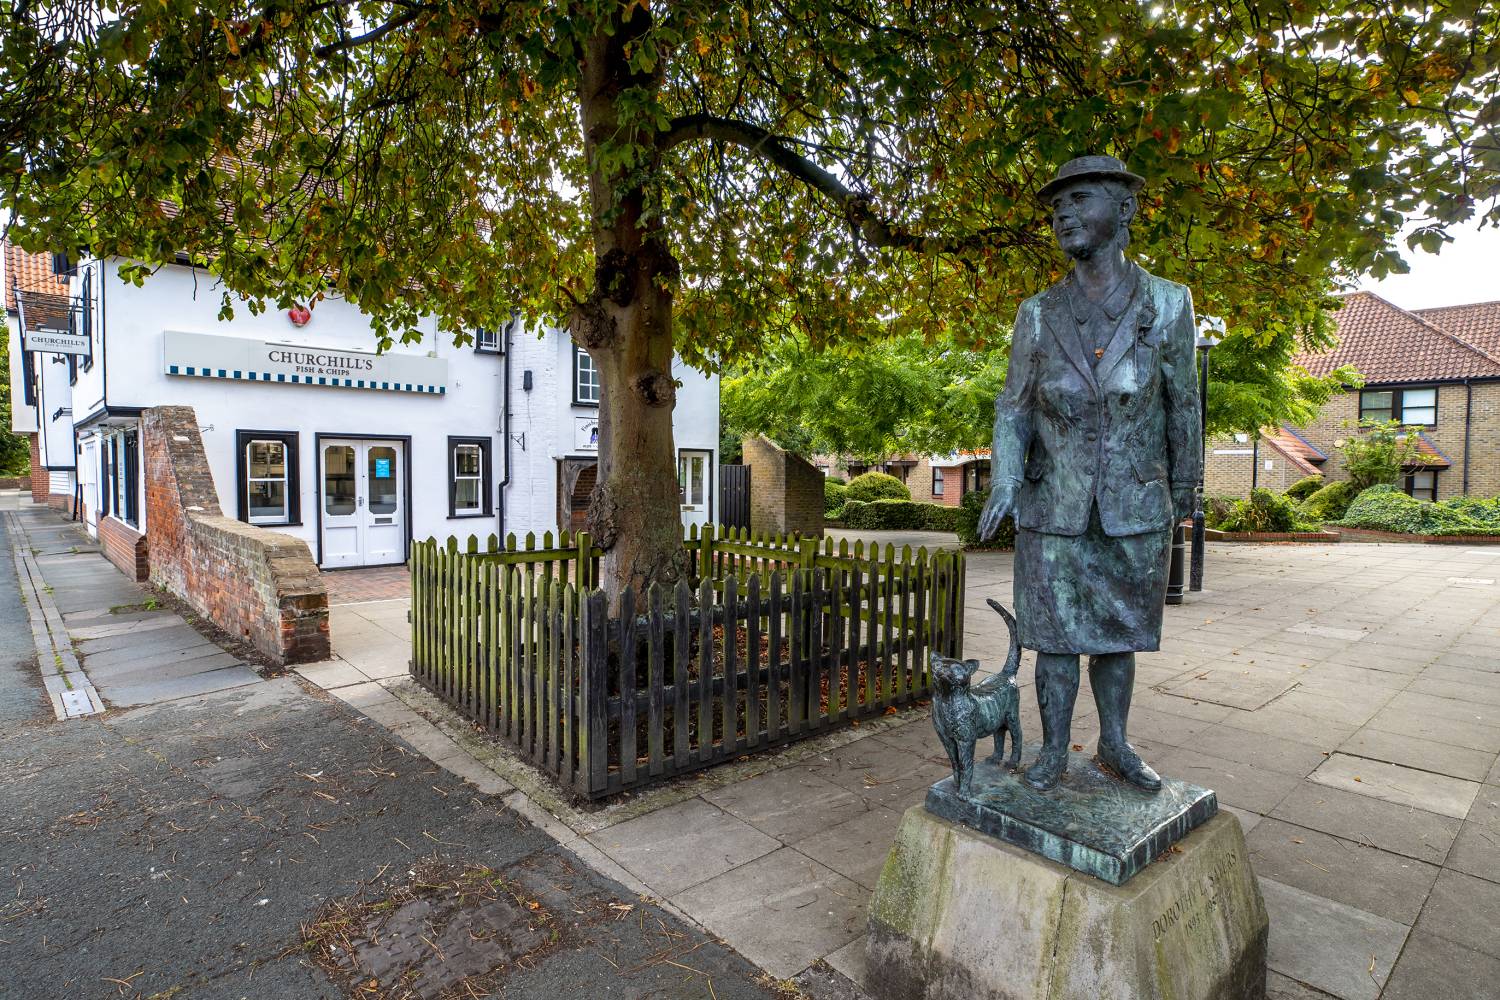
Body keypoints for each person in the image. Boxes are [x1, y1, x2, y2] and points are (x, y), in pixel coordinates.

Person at [977, 155, 1201, 793]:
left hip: (1135, 500)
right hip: (1055, 502)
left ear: (1124, 209)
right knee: (1053, 637)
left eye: (1080, 199)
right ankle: (1051, 751)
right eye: (1056, 206)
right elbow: (1014, 408)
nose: (1063, 214)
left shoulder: (1169, 303)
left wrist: (1187, 489)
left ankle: (1115, 743)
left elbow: (1184, 403)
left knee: (1116, 638)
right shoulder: (1038, 313)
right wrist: (1005, 481)